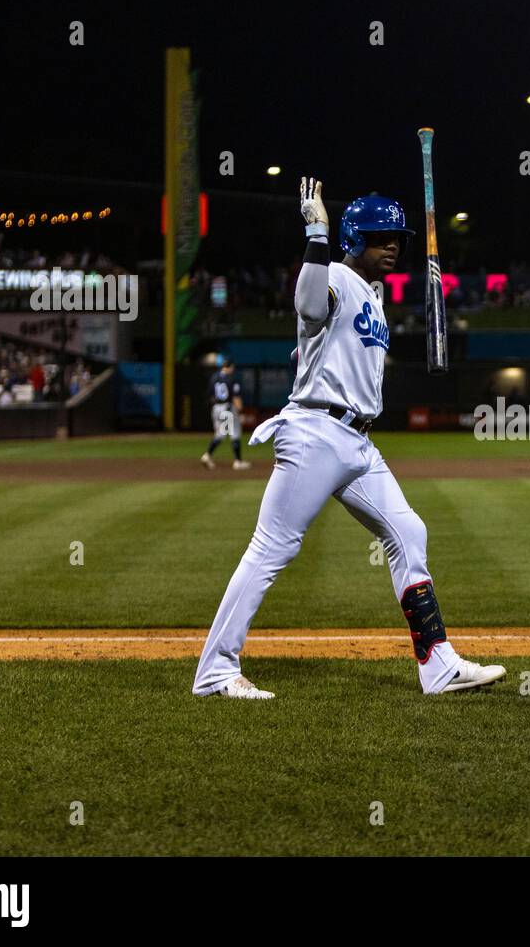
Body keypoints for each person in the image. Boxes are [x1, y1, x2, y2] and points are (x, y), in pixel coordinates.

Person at [193, 177, 505, 699]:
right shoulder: (333, 271)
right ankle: (216, 671)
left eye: (397, 240)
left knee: (409, 533)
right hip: (317, 433)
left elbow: (321, 343)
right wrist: (316, 231)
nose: (392, 247)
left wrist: (307, 357)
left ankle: (439, 666)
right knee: (271, 549)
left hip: (359, 443)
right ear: (354, 238)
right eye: (382, 237)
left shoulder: (373, 295)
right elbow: (311, 307)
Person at [200, 358, 250, 470]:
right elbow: (236, 398)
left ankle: (207, 456)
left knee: (220, 434)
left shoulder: (214, 377)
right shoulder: (231, 378)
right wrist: (240, 412)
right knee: (235, 433)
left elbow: (209, 395)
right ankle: (238, 462)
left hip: (216, 408)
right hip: (227, 408)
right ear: (231, 367)